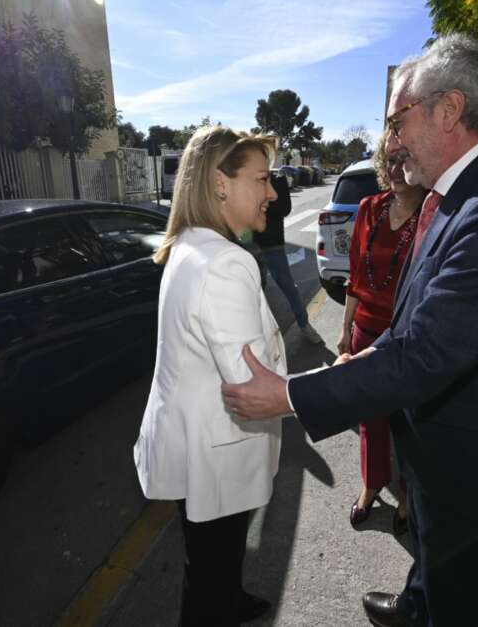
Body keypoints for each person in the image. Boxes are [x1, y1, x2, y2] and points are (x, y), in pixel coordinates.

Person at [221, 33, 478, 626]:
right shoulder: (455, 195)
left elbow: (431, 352)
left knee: (461, 593)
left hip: (470, 456)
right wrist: (366, 354)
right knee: (434, 552)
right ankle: (416, 604)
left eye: (398, 120)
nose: (392, 141)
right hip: (436, 444)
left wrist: (289, 395)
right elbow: (416, 316)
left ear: (449, 110)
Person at [133, 126, 283, 626]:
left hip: (194, 444)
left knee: (213, 559)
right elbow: (253, 385)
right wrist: (338, 380)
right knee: (209, 578)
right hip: (216, 453)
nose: (272, 193)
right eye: (262, 179)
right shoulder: (225, 262)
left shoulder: (188, 245)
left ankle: (230, 599)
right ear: (221, 182)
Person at [337, 133, 424, 534]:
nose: (396, 169)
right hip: (365, 330)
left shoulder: (433, 212)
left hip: (408, 337)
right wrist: (345, 332)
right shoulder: (369, 207)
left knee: (407, 422)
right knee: (371, 420)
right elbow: (355, 275)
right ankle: (372, 486)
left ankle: (407, 495)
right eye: (389, 160)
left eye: (404, 158)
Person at [253, 168, 323, 343]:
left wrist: (261, 204)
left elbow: (285, 208)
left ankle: (304, 324)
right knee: (253, 291)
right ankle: (259, 333)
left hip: (272, 244)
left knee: (288, 287)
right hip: (249, 244)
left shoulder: (278, 180)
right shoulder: (247, 179)